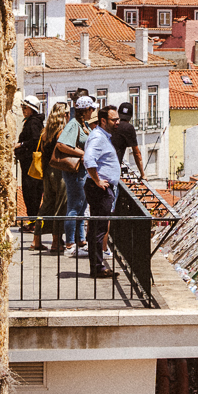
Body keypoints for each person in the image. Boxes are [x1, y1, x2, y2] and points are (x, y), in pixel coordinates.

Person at [84, 104, 123, 278]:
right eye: (114, 120)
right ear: (103, 120)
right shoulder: (98, 137)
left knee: (97, 229)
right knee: (99, 229)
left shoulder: (103, 136)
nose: (118, 122)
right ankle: (97, 267)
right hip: (100, 190)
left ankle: (97, 265)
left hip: (101, 188)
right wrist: (97, 180)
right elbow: (88, 159)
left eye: (118, 119)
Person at [54, 95, 95, 254]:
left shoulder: (82, 124)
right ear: (85, 110)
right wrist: (81, 153)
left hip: (82, 171)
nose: (93, 112)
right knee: (74, 206)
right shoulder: (73, 125)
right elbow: (61, 144)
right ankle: (70, 244)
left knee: (82, 205)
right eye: (91, 109)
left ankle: (80, 240)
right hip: (75, 172)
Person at [34, 101, 73, 251]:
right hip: (59, 171)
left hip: (47, 171)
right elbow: (65, 149)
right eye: (68, 113)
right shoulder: (62, 132)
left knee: (46, 205)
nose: (70, 116)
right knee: (61, 206)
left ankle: (36, 240)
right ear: (64, 115)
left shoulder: (45, 133)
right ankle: (56, 242)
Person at [14, 98, 45, 217]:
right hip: (29, 163)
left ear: (31, 109)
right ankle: (33, 221)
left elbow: (35, 140)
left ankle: (33, 222)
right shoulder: (33, 121)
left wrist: (21, 144)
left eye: (24, 107)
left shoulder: (33, 122)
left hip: (30, 163)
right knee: (32, 193)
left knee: (31, 192)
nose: (23, 109)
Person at [108, 99, 145, 181]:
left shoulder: (110, 124)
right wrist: (142, 174)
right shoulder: (128, 128)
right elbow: (136, 153)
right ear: (131, 116)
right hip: (113, 168)